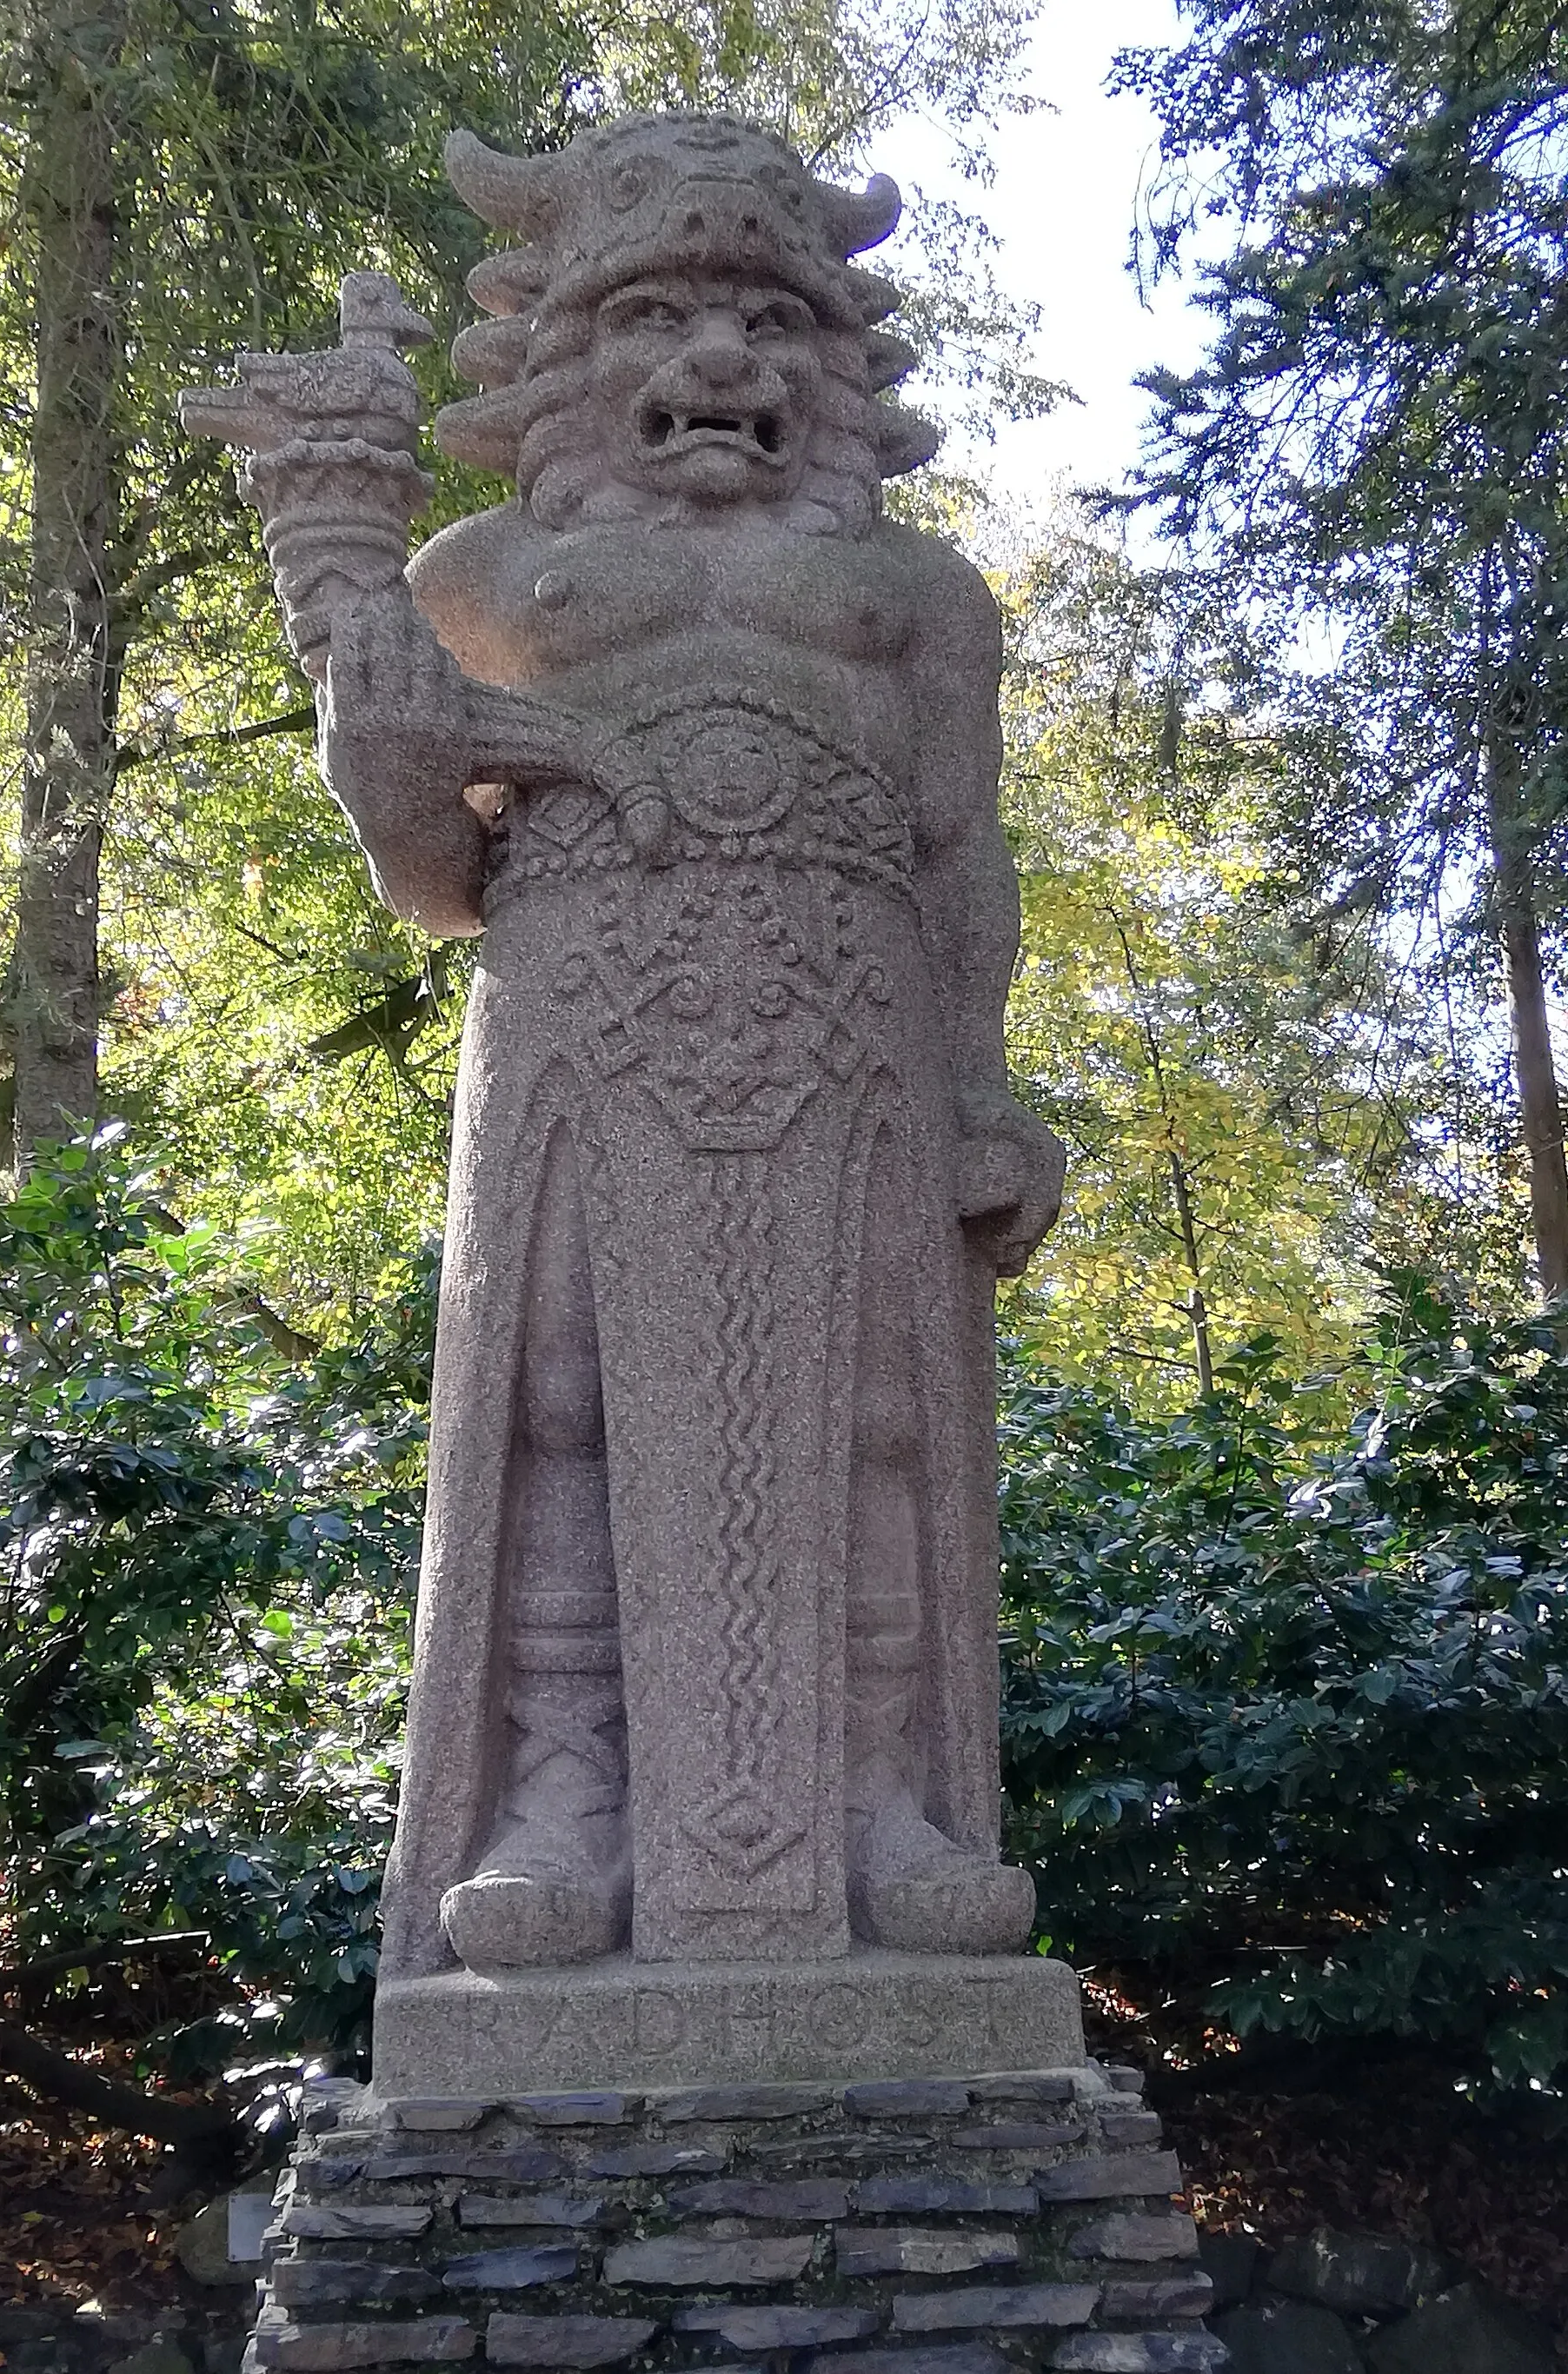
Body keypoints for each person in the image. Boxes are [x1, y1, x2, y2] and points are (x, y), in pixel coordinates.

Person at [315, 114, 1064, 1979]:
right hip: (583, 1005)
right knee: (563, 1402)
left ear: (834, 367)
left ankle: (879, 1805)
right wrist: (375, 748)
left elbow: (962, 856)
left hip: (855, 1013)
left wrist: (986, 1088)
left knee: (879, 1418)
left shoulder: (916, 597)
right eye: (658, 313)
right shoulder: (486, 569)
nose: (716, 363)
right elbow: (430, 874)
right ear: (567, 357)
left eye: (761, 322)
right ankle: (562, 1800)